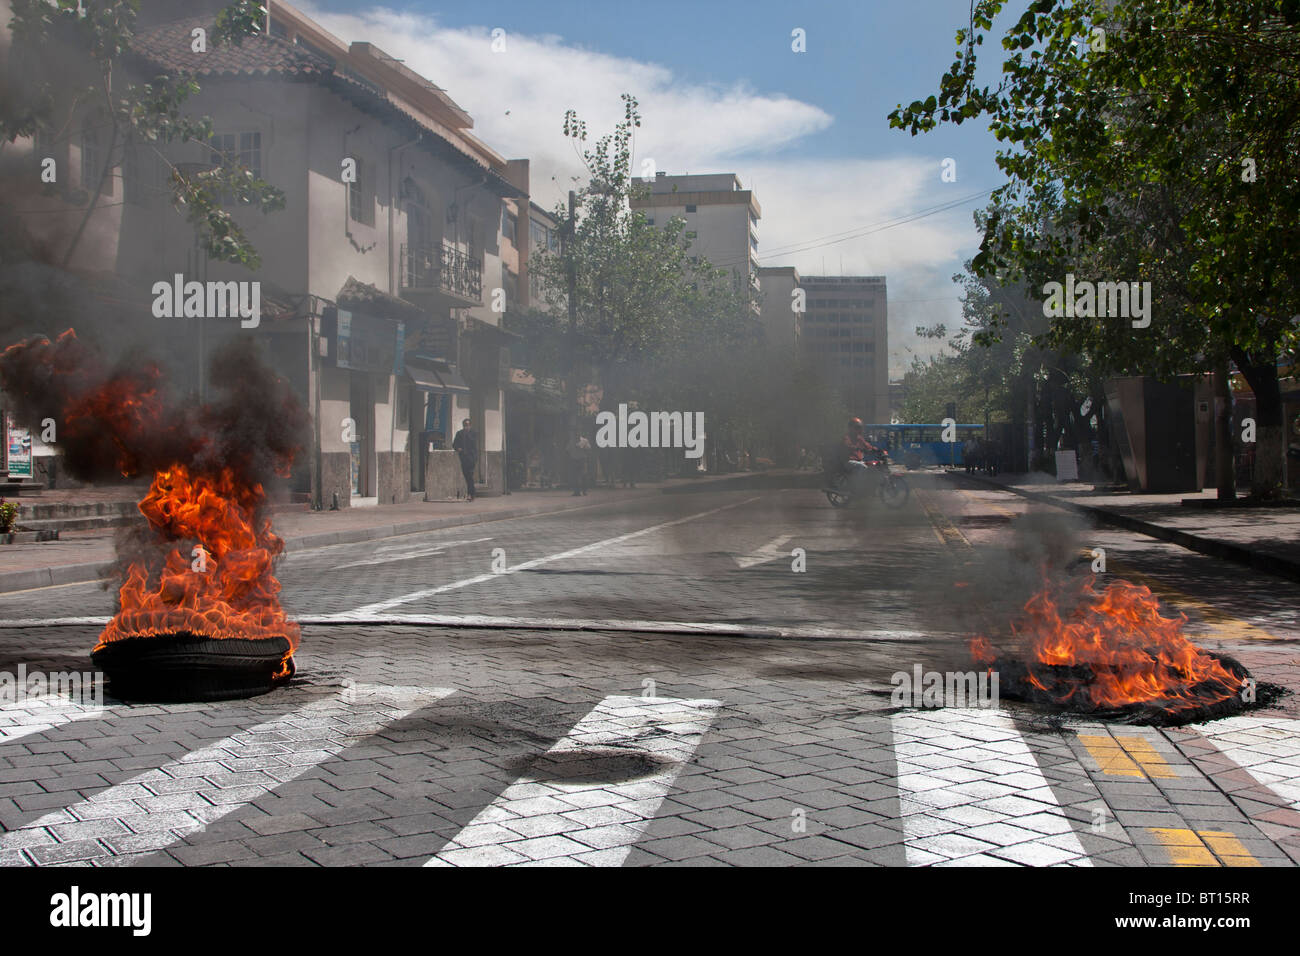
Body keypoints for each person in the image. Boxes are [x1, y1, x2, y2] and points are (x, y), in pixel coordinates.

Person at [452, 418, 478, 501]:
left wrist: (467, 434)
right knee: (467, 476)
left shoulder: (473, 433)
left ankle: (471, 494)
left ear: (470, 425)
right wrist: (458, 448)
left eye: (468, 425)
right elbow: (454, 444)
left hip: (471, 457)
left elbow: (473, 442)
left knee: (469, 475)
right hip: (463, 457)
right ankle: (471, 493)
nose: (466, 426)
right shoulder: (459, 433)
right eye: (465, 425)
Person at [568, 431, 591, 496]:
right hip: (574, 460)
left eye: (577, 433)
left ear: (580, 434)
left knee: (584, 476)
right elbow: (568, 449)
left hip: (582, 460)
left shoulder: (584, 440)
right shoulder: (571, 441)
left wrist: (584, 447)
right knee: (575, 476)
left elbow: (589, 448)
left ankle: (584, 491)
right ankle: (576, 491)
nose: (576, 435)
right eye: (575, 433)